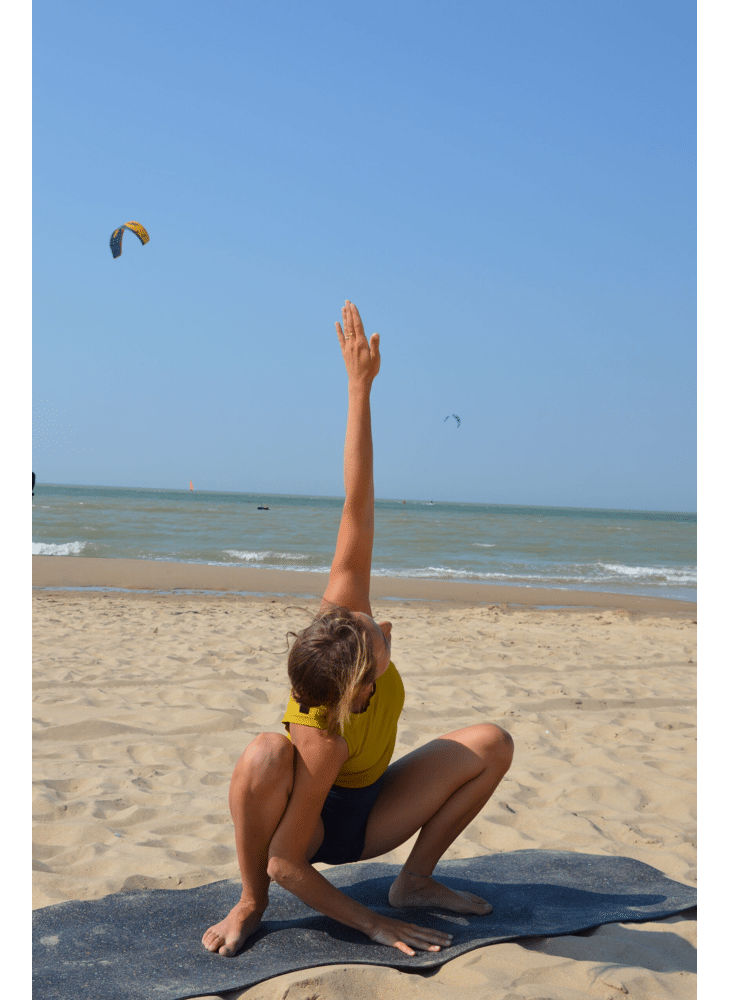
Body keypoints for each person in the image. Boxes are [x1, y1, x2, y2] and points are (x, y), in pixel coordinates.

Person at [202, 301, 514, 958]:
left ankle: (415, 881)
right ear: (359, 693)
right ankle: (249, 902)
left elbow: (356, 501)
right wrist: (372, 926)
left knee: (492, 743)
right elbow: (288, 861)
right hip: (322, 833)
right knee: (263, 754)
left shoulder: (343, 617)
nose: (384, 629)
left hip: (375, 805)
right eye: (380, 647)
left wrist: (359, 389)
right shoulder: (323, 737)